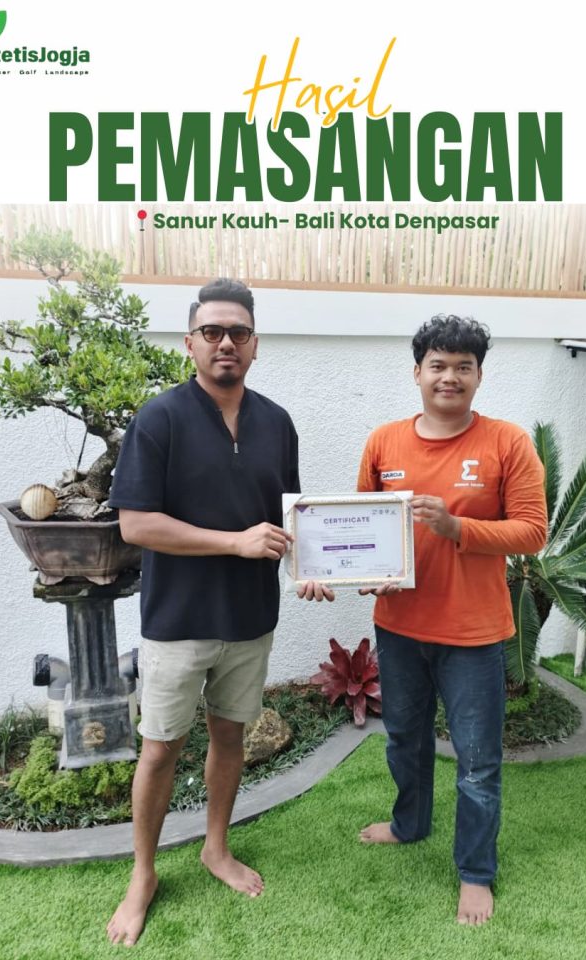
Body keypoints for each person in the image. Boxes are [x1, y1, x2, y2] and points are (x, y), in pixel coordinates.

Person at [106, 278, 329, 947]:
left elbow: (289, 519)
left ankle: (215, 847)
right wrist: (234, 542)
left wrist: (309, 569)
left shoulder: (277, 423)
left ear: (255, 344)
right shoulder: (159, 419)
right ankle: (143, 874)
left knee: (230, 737)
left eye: (238, 332)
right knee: (160, 749)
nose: (225, 342)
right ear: (190, 343)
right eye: (212, 332)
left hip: (250, 617)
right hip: (177, 620)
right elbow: (136, 524)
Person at [355, 314, 547, 926]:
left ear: (479, 376)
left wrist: (456, 526)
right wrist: (362, 571)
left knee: (477, 760)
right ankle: (409, 823)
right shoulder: (384, 441)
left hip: (473, 634)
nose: (450, 377)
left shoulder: (507, 443)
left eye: (464, 366)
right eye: (438, 365)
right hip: (399, 627)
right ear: (417, 372)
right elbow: (365, 528)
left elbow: (532, 531)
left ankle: (476, 872)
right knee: (404, 739)